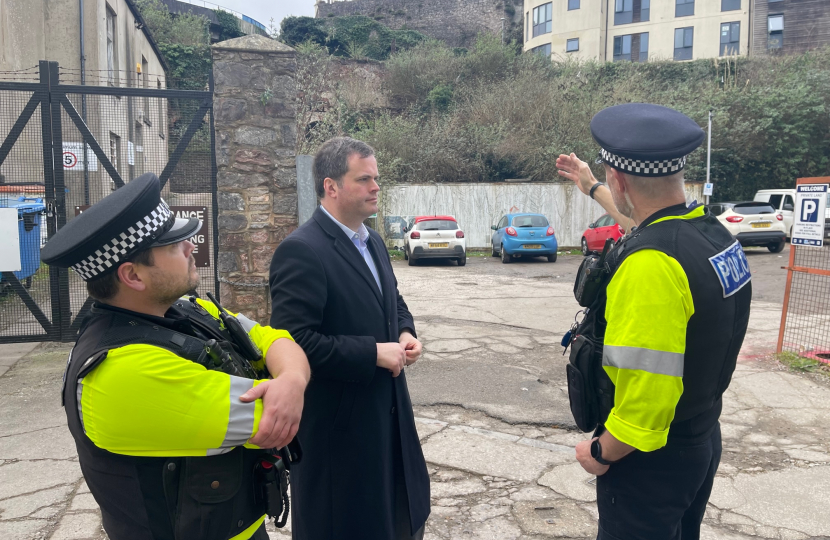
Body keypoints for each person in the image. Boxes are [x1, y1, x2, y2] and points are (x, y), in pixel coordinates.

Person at [41, 173, 310, 540]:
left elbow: (273, 338)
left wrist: (292, 379)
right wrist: (293, 384)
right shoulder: (124, 373)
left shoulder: (183, 310)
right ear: (133, 275)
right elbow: (274, 419)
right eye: (173, 245)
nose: (190, 247)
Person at [556, 103, 752, 540]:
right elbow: (644, 221)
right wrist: (592, 187)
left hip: (649, 461)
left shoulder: (651, 267)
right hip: (699, 437)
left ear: (619, 178)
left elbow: (647, 397)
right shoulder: (711, 234)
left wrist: (601, 452)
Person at [269, 137, 430, 540]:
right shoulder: (301, 250)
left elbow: (392, 300)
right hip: (340, 434)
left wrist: (406, 332)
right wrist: (373, 352)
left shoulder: (372, 240)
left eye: (376, 178)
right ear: (331, 186)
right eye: (364, 179)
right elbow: (294, 343)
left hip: (389, 420)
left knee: (398, 519)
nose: (376, 187)